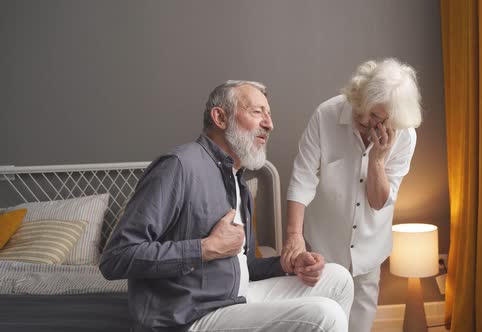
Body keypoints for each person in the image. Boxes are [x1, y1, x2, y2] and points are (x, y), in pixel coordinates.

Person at [100, 80, 353, 332]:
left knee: (340, 278)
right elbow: (116, 258)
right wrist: (204, 249)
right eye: (257, 112)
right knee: (326, 314)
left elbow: (244, 265)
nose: (269, 124)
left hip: (235, 298)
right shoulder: (179, 166)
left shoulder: (237, 180)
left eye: (269, 114)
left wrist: (287, 265)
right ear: (220, 118)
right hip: (190, 317)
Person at [281, 58, 422, 332]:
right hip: (321, 247)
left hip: (369, 252)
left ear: (393, 120)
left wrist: (378, 161)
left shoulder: (406, 137)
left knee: (359, 326)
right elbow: (303, 176)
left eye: (376, 118)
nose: (365, 119)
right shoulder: (326, 115)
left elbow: (379, 201)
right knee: (320, 321)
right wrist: (294, 237)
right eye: (361, 110)